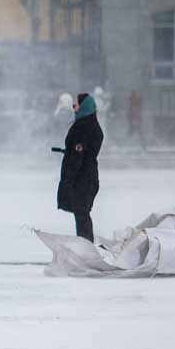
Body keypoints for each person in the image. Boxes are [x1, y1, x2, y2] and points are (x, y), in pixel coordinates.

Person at [56, 92, 104, 242]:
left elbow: (79, 156)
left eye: (76, 104)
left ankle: (86, 246)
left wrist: (68, 178)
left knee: (81, 212)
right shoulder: (89, 125)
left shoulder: (83, 128)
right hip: (87, 177)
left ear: (84, 107)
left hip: (82, 179)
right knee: (81, 212)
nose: (73, 107)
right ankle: (85, 244)